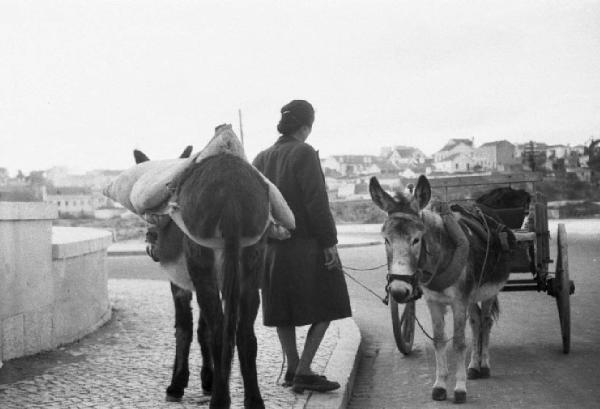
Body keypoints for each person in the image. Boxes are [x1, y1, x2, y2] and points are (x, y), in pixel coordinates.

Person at [253, 100, 352, 393]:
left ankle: (294, 367)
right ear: (306, 126)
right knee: (331, 302)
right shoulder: (304, 152)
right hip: (306, 246)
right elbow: (316, 203)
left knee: (282, 309)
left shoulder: (261, 157)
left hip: (273, 249)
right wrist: (329, 244)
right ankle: (305, 369)